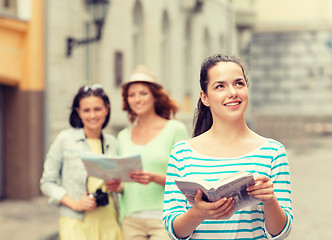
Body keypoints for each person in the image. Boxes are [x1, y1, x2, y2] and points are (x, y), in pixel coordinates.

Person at [163, 54, 293, 240]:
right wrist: (198, 213)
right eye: (220, 86)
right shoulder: (182, 153)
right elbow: (174, 231)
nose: (232, 92)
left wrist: (270, 200)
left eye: (239, 83)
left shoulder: (273, 151)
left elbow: (281, 232)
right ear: (205, 97)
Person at [106, 65, 189, 240]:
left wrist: (155, 178)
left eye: (143, 93)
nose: (137, 99)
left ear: (154, 96)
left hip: (165, 218)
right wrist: (116, 186)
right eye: (132, 95)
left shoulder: (175, 129)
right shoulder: (123, 136)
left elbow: (188, 181)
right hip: (130, 220)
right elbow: (126, 184)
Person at [40, 84, 123, 240]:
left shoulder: (113, 142)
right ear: (78, 112)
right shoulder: (64, 139)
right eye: (86, 110)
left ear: (107, 109)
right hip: (76, 223)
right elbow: (47, 183)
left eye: (97, 109)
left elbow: (123, 182)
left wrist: (118, 187)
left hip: (109, 220)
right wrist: (75, 204)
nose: (92, 115)